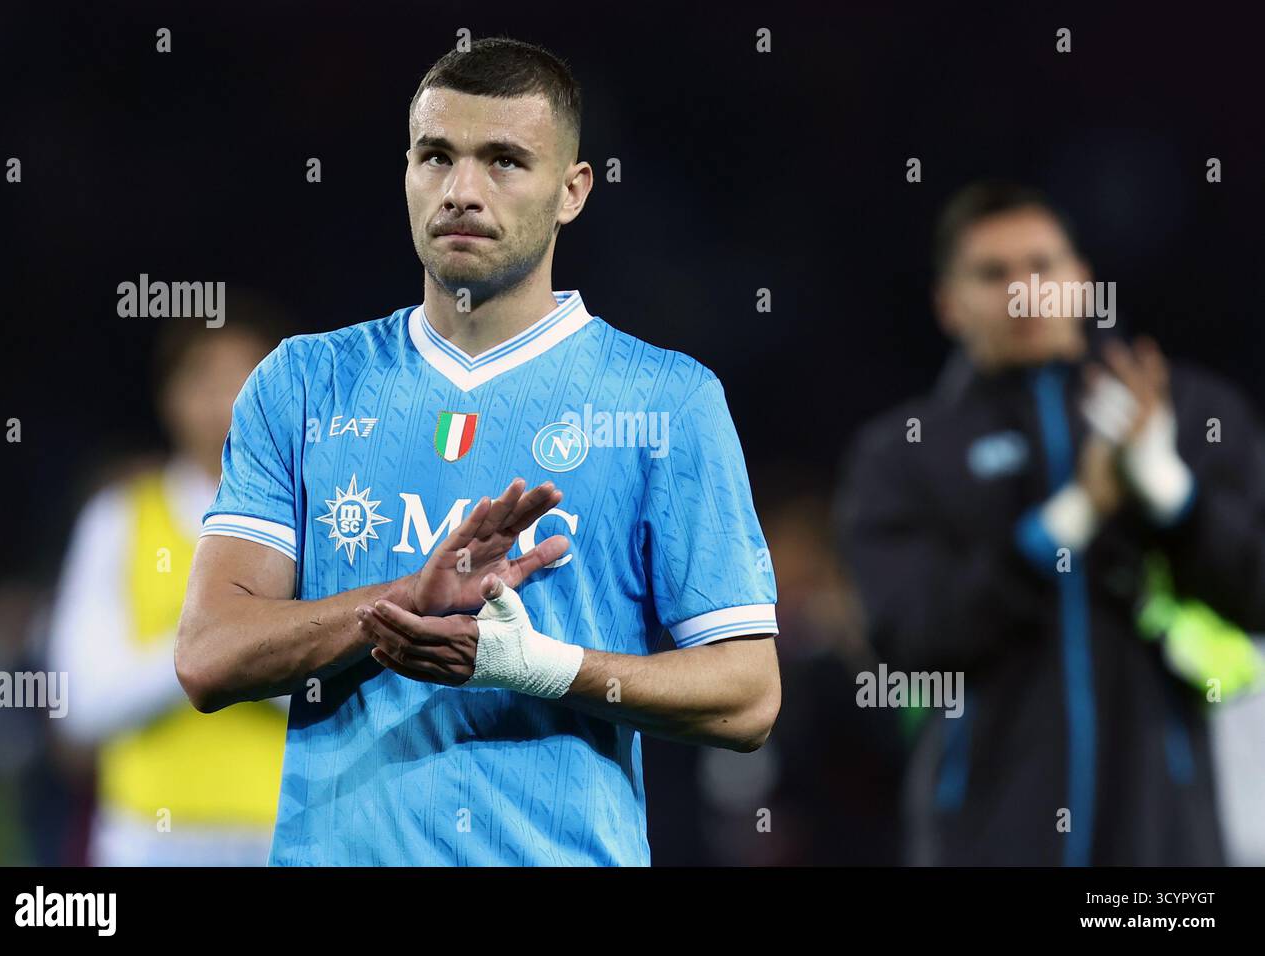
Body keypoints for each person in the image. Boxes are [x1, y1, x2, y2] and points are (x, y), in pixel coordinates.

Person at [175, 37, 780, 866]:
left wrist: (539, 668)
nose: (462, 190)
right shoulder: (305, 382)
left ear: (572, 192)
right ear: (407, 172)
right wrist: (400, 601)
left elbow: (748, 695)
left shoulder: (664, 400)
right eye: (437, 156)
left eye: (503, 161)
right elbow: (208, 655)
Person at [837, 181, 1265, 865]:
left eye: (1042, 266)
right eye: (992, 273)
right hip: (983, 838)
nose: (1022, 291)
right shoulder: (905, 451)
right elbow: (910, 636)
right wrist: (1066, 523)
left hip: (1164, 842)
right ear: (949, 305)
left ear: (1083, 281)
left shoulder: (1188, 411)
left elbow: (1255, 591)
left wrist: (1172, 498)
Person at [49, 315, 288, 865]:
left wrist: (215, 647)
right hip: (145, 840)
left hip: (283, 834)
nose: (227, 400)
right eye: (205, 379)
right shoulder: (119, 519)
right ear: (170, 397)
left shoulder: (318, 521)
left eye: (249, 378)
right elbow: (82, 703)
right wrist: (232, 643)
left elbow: (340, 687)